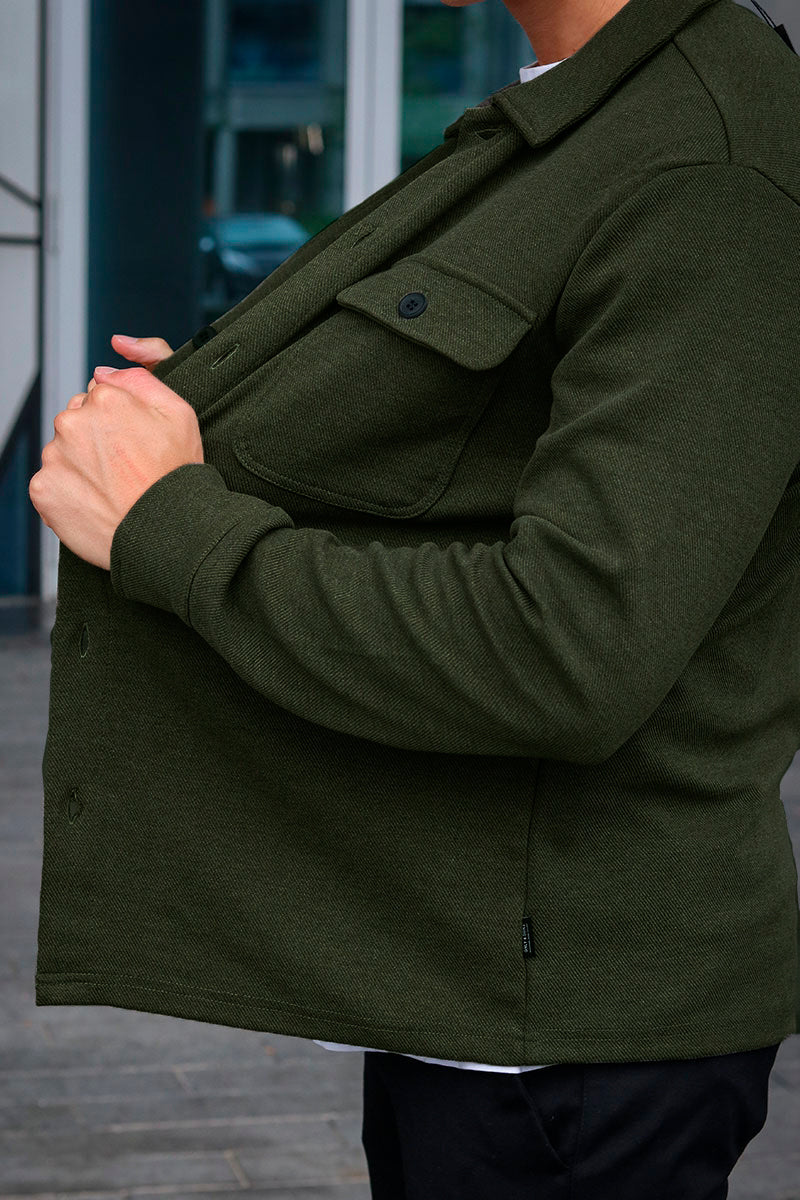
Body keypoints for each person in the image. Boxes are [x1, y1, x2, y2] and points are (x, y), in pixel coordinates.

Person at [29, 0, 799, 1195]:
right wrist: (225, 430)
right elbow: (470, 452)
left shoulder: (705, 167)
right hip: (469, 992)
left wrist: (170, 522)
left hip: (562, 1035)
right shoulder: (589, 108)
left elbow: (563, 648)